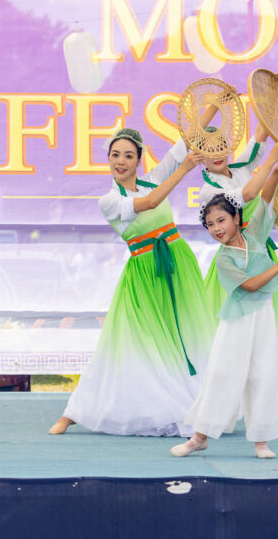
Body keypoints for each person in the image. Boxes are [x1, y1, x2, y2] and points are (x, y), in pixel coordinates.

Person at [49, 129, 214, 436]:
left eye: (128, 156)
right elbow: (151, 202)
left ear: (139, 160)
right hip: (144, 275)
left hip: (178, 265)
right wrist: (184, 169)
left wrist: (215, 106)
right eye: (115, 155)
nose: (121, 162)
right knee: (130, 346)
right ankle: (74, 413)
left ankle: (201, 404)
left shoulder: (153, 177)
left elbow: (187, 142)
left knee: (185, 338)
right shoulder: (109, 200)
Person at [172, 153, 278, 459]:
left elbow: (265, 202)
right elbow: (251, 285)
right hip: (236, 324)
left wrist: (277, 172)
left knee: (262, 375)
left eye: (221, 220)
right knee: (223, 374)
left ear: (237, 219)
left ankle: (261, 440)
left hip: (263, 319)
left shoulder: (254, 235)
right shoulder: (224, 259)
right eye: (210, 224)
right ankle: (200, 436)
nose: (216, 228)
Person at [198, 132, 278, 407]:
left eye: (221, 145)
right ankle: (231, 395)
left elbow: (261, 134)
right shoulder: (209, 189)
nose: (217, 152)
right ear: (199, 156)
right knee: (236, 329)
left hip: (258, 249)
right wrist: (271, 160)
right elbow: (247, 195)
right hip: (237, 260)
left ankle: (272, 389)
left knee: (270, 323)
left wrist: (270, 100)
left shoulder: (240, 166)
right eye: (208, 150)